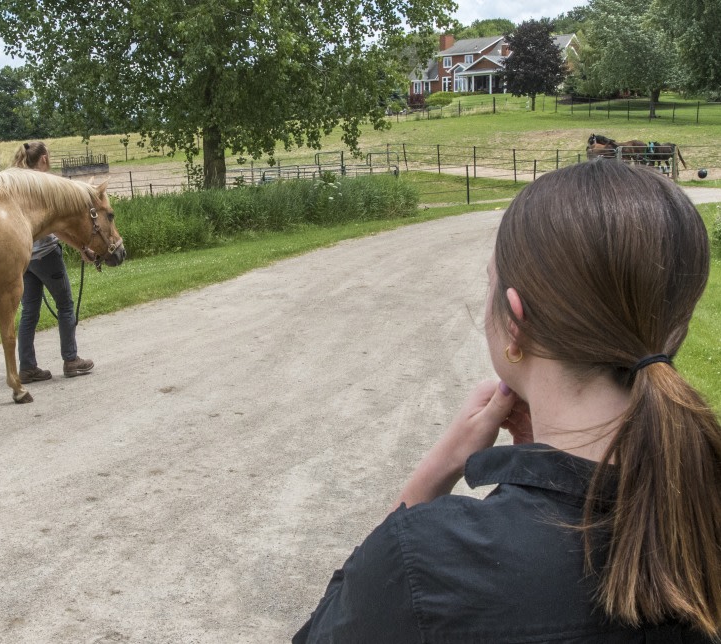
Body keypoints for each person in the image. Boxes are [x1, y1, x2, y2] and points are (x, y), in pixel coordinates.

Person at [295, 160, 721, 641]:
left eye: (490, 282)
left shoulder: (430, 562)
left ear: (516, 321)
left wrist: (435, 473)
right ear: (678, 327)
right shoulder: (699, 507)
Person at [11, 141, 92, 383]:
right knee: (65, 305)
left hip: (26, 257)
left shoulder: (19, 184)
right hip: (46, 255)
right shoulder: (44, 185)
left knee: (29, 313)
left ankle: (27, 367)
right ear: (44, 159)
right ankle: (71, 359)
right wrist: (82, 247)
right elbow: (58, 227)